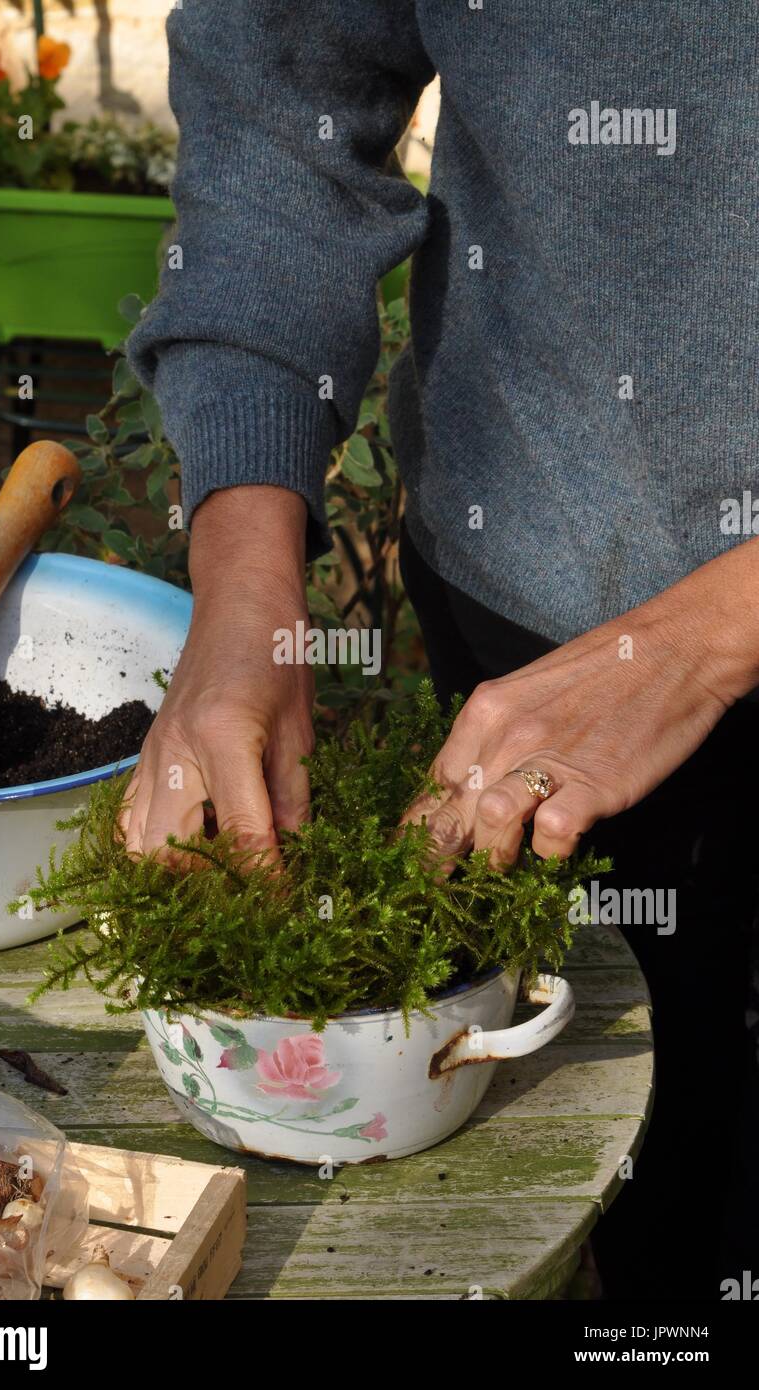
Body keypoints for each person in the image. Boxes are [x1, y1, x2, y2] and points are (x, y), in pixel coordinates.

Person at [123, 3, 759, 1300]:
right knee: (649, 1203)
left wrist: (712, 630)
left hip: (621, 669)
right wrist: (246, 586)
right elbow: (276, 98)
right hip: (533, 639)